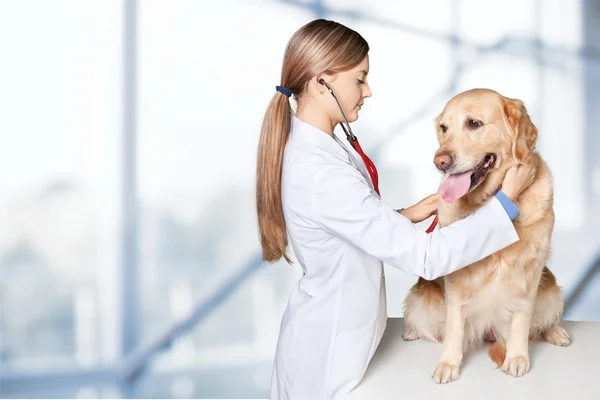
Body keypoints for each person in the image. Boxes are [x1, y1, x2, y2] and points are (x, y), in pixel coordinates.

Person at [255, 19, 536, 400]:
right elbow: (426, 257)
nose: (368, 91)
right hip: (324, 363)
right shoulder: (318, 171)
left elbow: (342, 226)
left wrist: (403, 216)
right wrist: (505, 205)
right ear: (322, 83)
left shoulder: (320, 147)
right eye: (359, 79)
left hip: (338, 337)